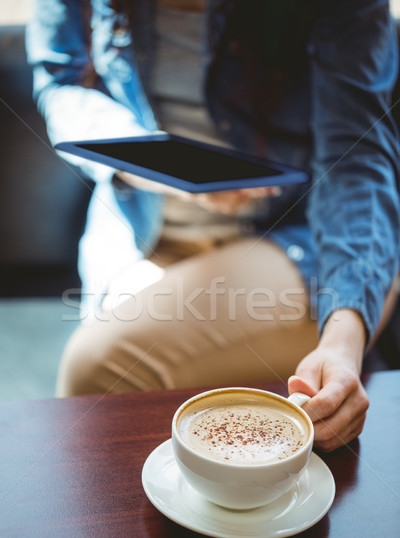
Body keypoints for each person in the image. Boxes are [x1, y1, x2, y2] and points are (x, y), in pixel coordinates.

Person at [26, 0, 400, 451]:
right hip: (141, 225)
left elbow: (354, 161)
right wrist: (159, 166)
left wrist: (343, 340)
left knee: (100, 366)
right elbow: (60, 84)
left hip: (299, 236)